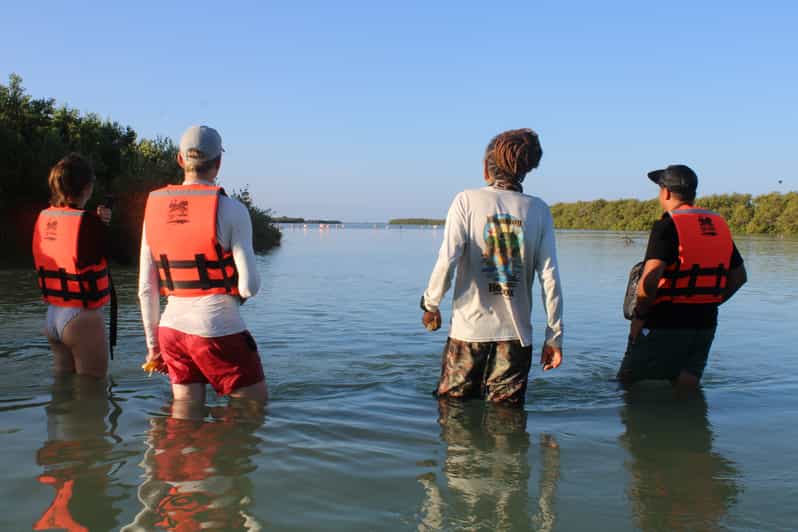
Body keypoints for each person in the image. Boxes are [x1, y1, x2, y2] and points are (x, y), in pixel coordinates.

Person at [420, 128, 564, 405]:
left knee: (453, 412)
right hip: (516, 338)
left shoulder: (466, 200)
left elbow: (447, 259)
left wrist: (430, 303)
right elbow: (550, 279)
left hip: (468, 333)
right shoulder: (538, 210)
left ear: (487, 167)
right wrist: (554, 338)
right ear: (527, 169)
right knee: (507, 419)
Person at [138, 125, 266, 405]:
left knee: (183, 418)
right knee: (253, 411)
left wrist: (153, 347)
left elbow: (146, 289)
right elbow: (249, 287)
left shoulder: (153, 207)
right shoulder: (232, 210)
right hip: (217, 328)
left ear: (181, 160)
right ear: (218, 163)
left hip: (171, 332)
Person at [617, 165, 747, 388]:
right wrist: (709, 301)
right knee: (686, 384)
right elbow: (739, 277)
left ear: (665, 192)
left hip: (666, 320)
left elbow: (650, 278)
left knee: (629, 383)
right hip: (706, 323)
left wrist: (640, 316)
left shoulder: (667, 226)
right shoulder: (719, 226)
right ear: (693, 194)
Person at [32, 153, 113, 378]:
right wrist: (103, 225)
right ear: (87, 187)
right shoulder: (88, 223)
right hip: (82, 317)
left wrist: (97, 224)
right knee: (92, 394)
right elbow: (119, 254)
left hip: (53, 315)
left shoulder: (44, 218)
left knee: (62, 390)